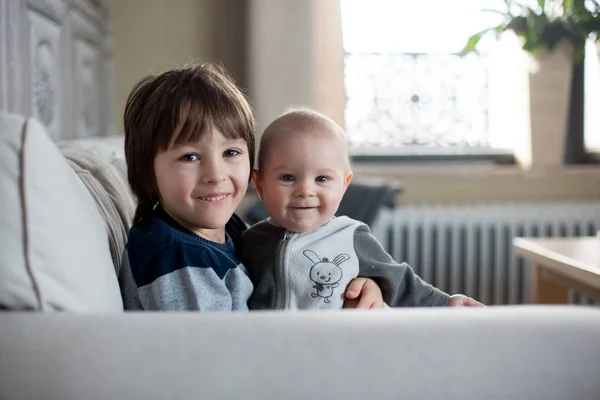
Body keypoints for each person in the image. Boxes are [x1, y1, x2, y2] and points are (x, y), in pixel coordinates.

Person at [117, 62, 385, 311]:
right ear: (147, 170)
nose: (215, 174)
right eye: (190, 157)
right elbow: (212, 356)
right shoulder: (178, 258)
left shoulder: (231, 230)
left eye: (231, 152)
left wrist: (360, 285)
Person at [240, 108, 485, 310]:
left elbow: (400, 281)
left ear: (344, 185)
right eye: (288, 178)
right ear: (260, 184)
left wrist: (445, 303)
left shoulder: (350, 235)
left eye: (322, 179)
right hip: (272, 352)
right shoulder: (249, 242)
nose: (305, 190)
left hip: (339, 350)